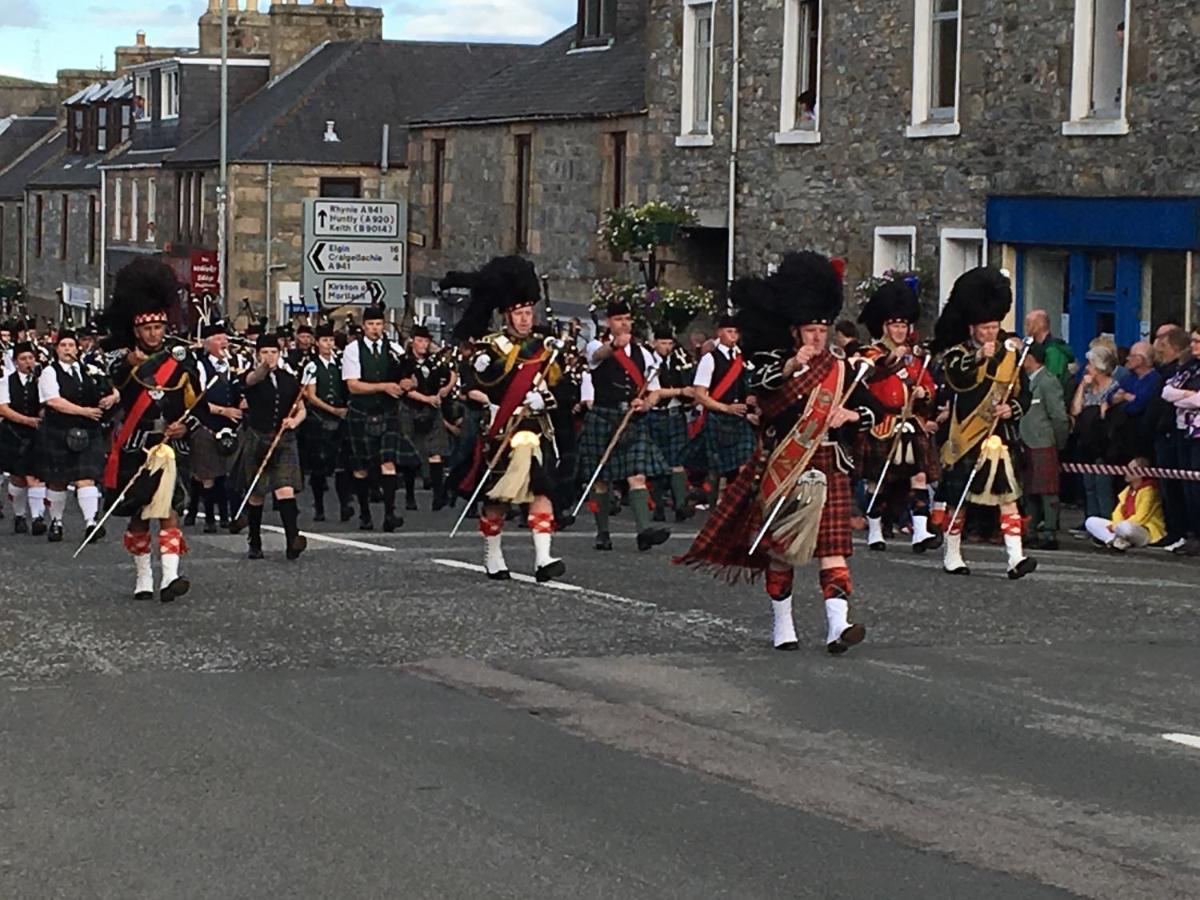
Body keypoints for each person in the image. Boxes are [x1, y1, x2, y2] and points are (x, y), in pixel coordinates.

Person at [676, 251, 879, 654]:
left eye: (823, 330)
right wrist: (792, 367)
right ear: (794, 331)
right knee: (783, 550)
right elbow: (765, 392)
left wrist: (851, 413)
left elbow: (875, 412)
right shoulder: (773, 363)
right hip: (786, 463)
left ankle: (837, 626)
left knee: (832, 548)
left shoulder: (844, 370)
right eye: (810, 330)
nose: (817, 337)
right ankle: (782, 624)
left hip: (828, 463)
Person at [441, 256, 565, 582]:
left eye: (529, 313)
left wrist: (546, 397)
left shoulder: (544, 348)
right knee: (498, 499)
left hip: (537, 428)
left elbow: (564, 388)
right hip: (502, 430)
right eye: (520, 314)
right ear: (506, 315)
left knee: (542, 490)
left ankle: (543, 557)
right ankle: (493, 553)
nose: (526, 320)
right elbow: (471, 389)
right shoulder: (490, 349)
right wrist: (491, 404)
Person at [101, 259, 202, 601]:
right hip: (136, 446)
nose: (154, 334)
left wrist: (184, 426)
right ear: (136, 330)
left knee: (169, 511)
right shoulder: (121, 363)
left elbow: (197, 406)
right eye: (147, 329)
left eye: (158, 328)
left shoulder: (182, 363)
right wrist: (123, 368)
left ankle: (170, 578)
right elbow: (107, 391)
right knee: (141, 515)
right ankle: (143, 576)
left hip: (171, 448)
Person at [934, 267, 1036, 579]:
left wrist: (1012, 409)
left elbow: (1024, 392)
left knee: (1009, 498)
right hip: (966, 434)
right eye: (985, 328)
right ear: (973, 328)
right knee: (959, 499)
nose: (991, 332)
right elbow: (956, 378)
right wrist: (979, 357)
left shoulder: (1012, 352)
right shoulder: (959, 352)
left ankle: (1015, 558)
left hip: (999, 436)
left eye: (994, 327)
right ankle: (952, 554)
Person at [578, 301, 671, 553]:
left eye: (627, 318)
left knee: (637, 475)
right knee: (602, 480)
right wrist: (613, 346)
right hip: (603, 416)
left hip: (632, 419)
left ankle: (644, 532)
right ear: (609, 322)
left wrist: (646, 404)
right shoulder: (596, 345)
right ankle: (603, 533)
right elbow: (598, 356)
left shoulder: (645, 353)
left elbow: (655, 391)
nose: (624, 323)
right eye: (618, 319)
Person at [855, 280, 940, 553]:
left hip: (910, 423)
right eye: (895, 325)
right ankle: (876, 531)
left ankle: (920, 532)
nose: (900, 330)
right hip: (883, 423)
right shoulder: (870, 352)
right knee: (876, 482)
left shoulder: (916, 359)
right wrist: (893, 358)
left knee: (919, 478)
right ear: (884, 326)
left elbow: (928, 385)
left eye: (904, 326)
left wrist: (923, 395)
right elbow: (874, 373)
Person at [341, 306, 418, 532]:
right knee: (361, 466)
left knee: (388, 462)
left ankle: (389, 513)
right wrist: (384, 386)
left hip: (387, 412)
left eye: (379, 324)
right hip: (361, 412)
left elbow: (410, 377)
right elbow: (353, 386)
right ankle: (365, 514)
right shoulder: (352, 350)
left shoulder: (393, 348)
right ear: (364, 326)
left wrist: (408, 383)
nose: (375, 328)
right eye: (371, 324)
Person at [38, 329, 119, 542]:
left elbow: (112, 389)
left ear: (78, 348)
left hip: (88, 430)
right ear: (56, 350)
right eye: (63, 346)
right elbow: (53, 401)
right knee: (57, 481)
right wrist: (84, 411)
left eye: (71, 346)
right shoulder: (49, 372)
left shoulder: (90, 369)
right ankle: (56, 522)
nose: (68, 350)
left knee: (87, 477)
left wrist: (111, 398)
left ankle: (91, 523)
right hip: (59, 429)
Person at [239, 334, 308, 561]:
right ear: (257, 354)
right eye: (265, 352)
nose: (270, 356)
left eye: (274, 352)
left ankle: (292, 539)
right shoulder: (250, 377)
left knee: (285, 488)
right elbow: (251, 379)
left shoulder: (288, 378)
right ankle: (255, 540)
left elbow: (301, 408)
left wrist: (294, 422)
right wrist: (263, 368)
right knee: (257, 493)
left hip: (284, 439)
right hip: (258, 438)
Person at [692, 314, 756, 507]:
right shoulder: (709, 359)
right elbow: (700, 395)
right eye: (729, 331)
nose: (733, 336)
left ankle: (735, 506)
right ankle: (714, 506)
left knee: (744, 464)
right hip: (718, 418)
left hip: (739, 419)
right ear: (719, 333)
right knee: (716, 469)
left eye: (736, 332)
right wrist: (725, 408)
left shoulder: (742, 358)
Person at [189, 322, 242, 533]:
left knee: (227, 474)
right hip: (207, 425)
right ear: (208, 343)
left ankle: (227, 516)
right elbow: (197, 400)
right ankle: (210, 518)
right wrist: (223, 411)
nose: (225, 342)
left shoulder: (235, 363)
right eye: (219, 339)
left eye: (226, 338)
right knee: (208, 474)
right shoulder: (200, 366)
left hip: (232, 428)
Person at [300, 322, 354, 522]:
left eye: (331, 340)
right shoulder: (312, 366)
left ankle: (344, 504)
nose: (328, 344)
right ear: (317, 343)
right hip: (319, 419)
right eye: (324, 340)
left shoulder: (341, 363)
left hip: (340, 418)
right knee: (319, 466)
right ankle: (319, 506)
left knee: (342, 464)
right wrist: (332, 409)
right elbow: (310, 395)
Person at [1019, 342, 1070, 550]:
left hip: (1043, 441)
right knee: (1029, 489)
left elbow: (1059, 416)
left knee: (1047, 490)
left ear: (1032, 358)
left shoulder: (1048, 381)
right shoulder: (1023, 381)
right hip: (1025, 441)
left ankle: (1050, 531)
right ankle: (1030, 529)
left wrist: (1058, 441)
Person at [1069, 344, 1122, 534]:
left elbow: (1107, 416)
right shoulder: (1089, 389)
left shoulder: (1114, 388)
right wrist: (1082, 386)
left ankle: (1105, 523)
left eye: (1090, 364)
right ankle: (1090, 521)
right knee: (1088, 484)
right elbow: (1075, 410)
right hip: (1087, 441)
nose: (1087, 367)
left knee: (1102, 485)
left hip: (1104, 443)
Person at [1147, 326, 1191, 551]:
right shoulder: (1166, 372)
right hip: (1162, 432)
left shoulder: (1180, 371)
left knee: (1180, 487)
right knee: (1168, 487)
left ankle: (1181, 532)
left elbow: (1171, 397)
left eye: (1163, 346)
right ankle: (1173, 530)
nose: (1159, 351)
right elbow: (1166, 394)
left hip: (1175, 432)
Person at [403, 325, 456, 511]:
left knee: (436, 453)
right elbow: (404, 389)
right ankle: (409, 496)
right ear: (412, 342)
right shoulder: (404, 362)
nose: (423, 345)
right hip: (410, 409)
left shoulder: (434, 363)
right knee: (410, 454)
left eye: (426, 341)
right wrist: (427, 399)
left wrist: (446, 389)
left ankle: (438, 496)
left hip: (432, 410)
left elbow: (452, 374)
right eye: (419, 340)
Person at [646, 324, 695, 522]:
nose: (667, 347)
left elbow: (688, 380)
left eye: (669, 343)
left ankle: (680, 505)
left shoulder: (678, 360)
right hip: (655, 415)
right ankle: (657, 506)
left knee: (677, 460)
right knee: (658, 462)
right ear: (654, 342)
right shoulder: (648, 360)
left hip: (675, 413)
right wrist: (681, 391)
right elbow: (654, 392)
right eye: (663, 343)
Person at [0, 340, 47, 534]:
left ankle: (38, 517)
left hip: (38, 434)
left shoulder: (42, 380)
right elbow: (3, 408)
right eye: (23, 358)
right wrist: (27, 420)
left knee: (37, 476)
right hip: (13, 432)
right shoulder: (5, 382)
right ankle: (19, 516)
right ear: (15, 361)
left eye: (31, 358)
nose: (28, 362)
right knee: (18, 478)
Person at [1161, 327, 1200, 556]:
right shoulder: (1190, 367)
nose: (1192, 346)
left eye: (1197, 341)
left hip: (1198, 433)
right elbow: (1167, 392)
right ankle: (1191, 533)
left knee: (1196, 487)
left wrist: (1185, 396)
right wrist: (1186, 396)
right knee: (1186, 487)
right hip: (1183, 430)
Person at [1084, 459, 1165, 552]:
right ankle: (1115, 542)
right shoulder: (1127, 490)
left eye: (1131, 469)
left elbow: (1141, 518)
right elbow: (1117, 512)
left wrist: (1117, 526)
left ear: (1141, 473)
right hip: (1120, 527)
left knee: (1126, 527)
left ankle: (1118, 541)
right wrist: (1116, 525)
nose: (1126, 471)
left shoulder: (1149, 491)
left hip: (1142, 530)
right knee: (1091, 521)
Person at [1023, 308, 1075, 401]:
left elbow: (1052, 380)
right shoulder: (1033, 346)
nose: (1025, 327)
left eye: (1028, 323)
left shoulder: (1054, 350)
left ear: (1039, 325)